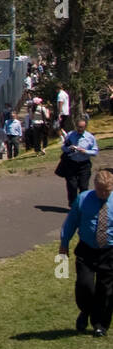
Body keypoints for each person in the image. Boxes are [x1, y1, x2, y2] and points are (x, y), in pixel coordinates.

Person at [60, 167, 113, 337]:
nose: (103, 194)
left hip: (109, 252)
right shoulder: (83, 199)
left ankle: (100, 324)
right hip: (87, 250)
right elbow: (71, 222)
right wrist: (64, 242)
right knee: (85, 285)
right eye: (100, 190)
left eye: (107, 191)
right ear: (94, 186)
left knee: (106, 290)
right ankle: (85, 311)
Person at [59, 117, 100, 206]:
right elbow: (63, 147)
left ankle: (83, 205)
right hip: (71, 163)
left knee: (83, 186)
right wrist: (69, 148)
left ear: (85, 127)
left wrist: (85, 151)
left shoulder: (90, 137)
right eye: (78, 127)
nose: (80, 129)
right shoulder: (70, 135)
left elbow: (95, 151)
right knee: (72, 186)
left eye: (82, 127)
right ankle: (73, 205)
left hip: (84, 164)